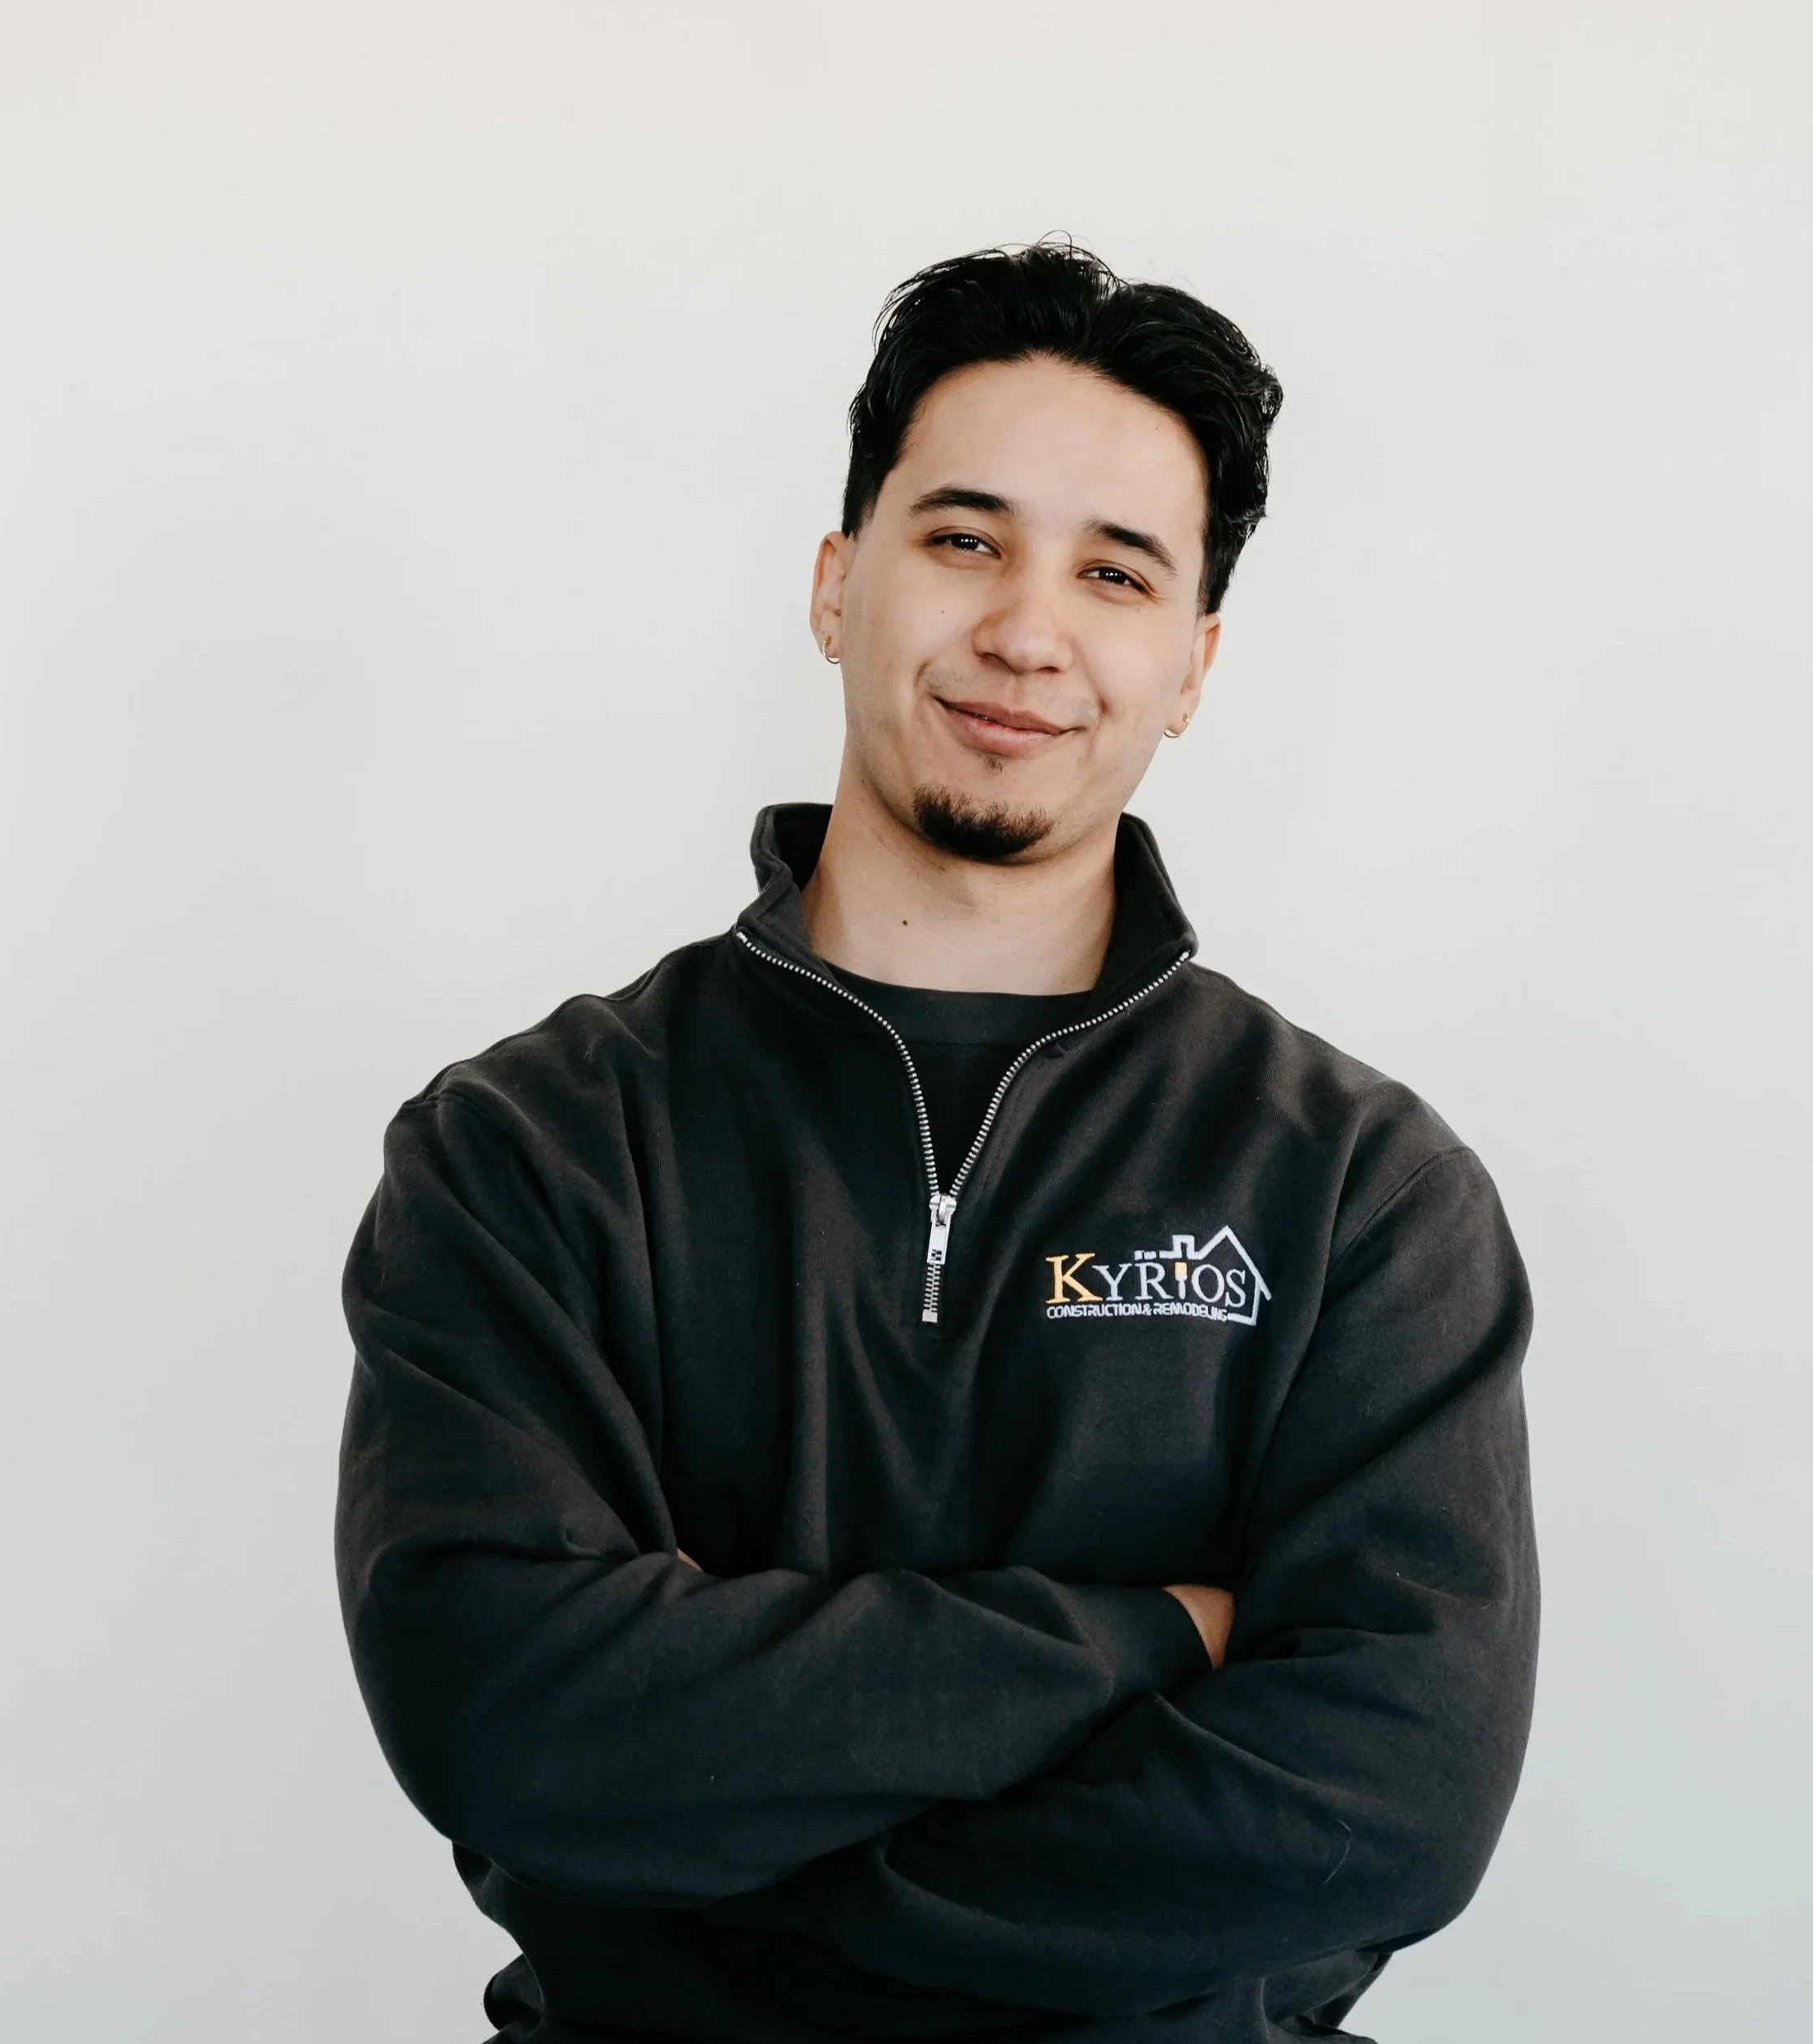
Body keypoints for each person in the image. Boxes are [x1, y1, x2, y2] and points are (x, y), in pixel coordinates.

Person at [335, 240, 1538, 2044]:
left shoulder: (1361, 1191)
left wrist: (754, 1927)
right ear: (837, 584)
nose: (1027, 630)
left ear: (1191, 662)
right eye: (963, 538)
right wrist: (1150, 1637)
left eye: (1113, 571)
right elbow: (502, 1709)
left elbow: (1398, 1785)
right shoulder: (533, 1149)